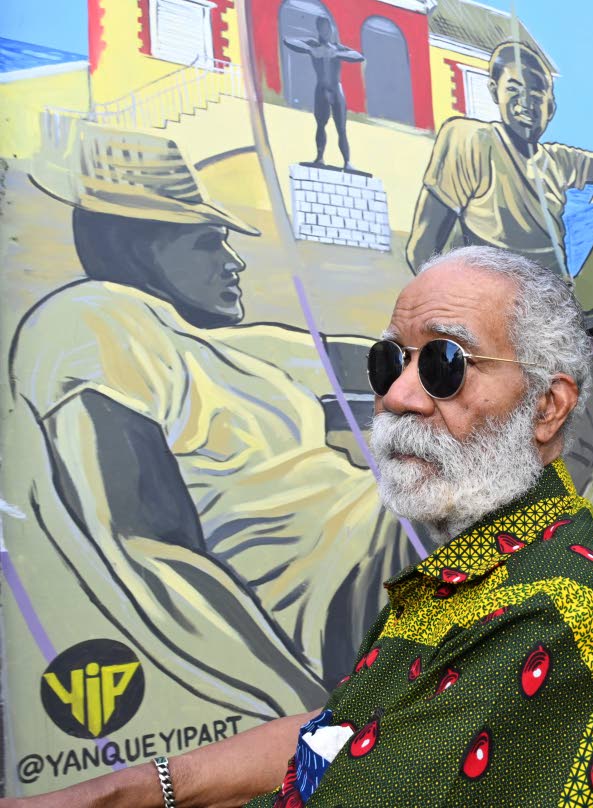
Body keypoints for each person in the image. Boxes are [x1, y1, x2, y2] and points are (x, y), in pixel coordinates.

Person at [3, 247, 593, 807]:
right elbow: (341, 734)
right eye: (390, 362)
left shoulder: (557, 610)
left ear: (547, 407)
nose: (397, 397)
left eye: (444, 364)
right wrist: (128, 790)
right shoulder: (469, 570)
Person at [12, 123, 402, 719]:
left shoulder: (239, 348)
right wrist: (301, 713)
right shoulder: (95, 322)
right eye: (206, 242)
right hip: (349, 586)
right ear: (136, 245)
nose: (235, 260)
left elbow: (396, 360)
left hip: (390, 534)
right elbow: (146, 550)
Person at [406, 42, 593, 331]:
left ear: (550, 107)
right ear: (494, 91)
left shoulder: (557, 160)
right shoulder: (471, 141)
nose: (525, 102)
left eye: (536, 93)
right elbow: (422, 250)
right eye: (513, 89)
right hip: (494, 311)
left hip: (554, 314)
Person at [283, 16, 364, 170]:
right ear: (319, 30)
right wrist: (311, 49)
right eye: (323, 29)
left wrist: (337, 54)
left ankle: (347, 161)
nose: (326, 32)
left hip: (335, 89)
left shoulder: (337, 48)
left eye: (328, 29)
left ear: (331, 30)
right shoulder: (313, 45)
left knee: (341, 128)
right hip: (321, 89)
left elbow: (358, 56)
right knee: (321, 125)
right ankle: (320, 157)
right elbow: (288, 41)